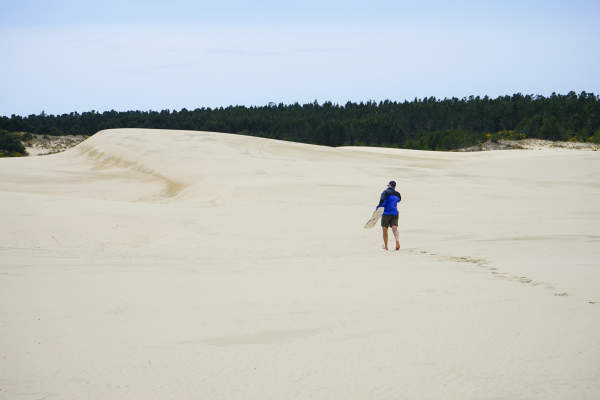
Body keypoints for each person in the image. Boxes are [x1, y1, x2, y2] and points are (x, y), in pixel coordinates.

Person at [376, 180, 401, 250]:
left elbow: (381, 201)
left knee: (385, 230)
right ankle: (397, 240)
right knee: (395, 228)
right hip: (395, 213)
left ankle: (386, 247)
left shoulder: (385, 192)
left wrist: (377, 208)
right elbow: (399, 200)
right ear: (394, 186)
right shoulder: (397, 194)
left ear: (389, 185)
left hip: (386, 213)